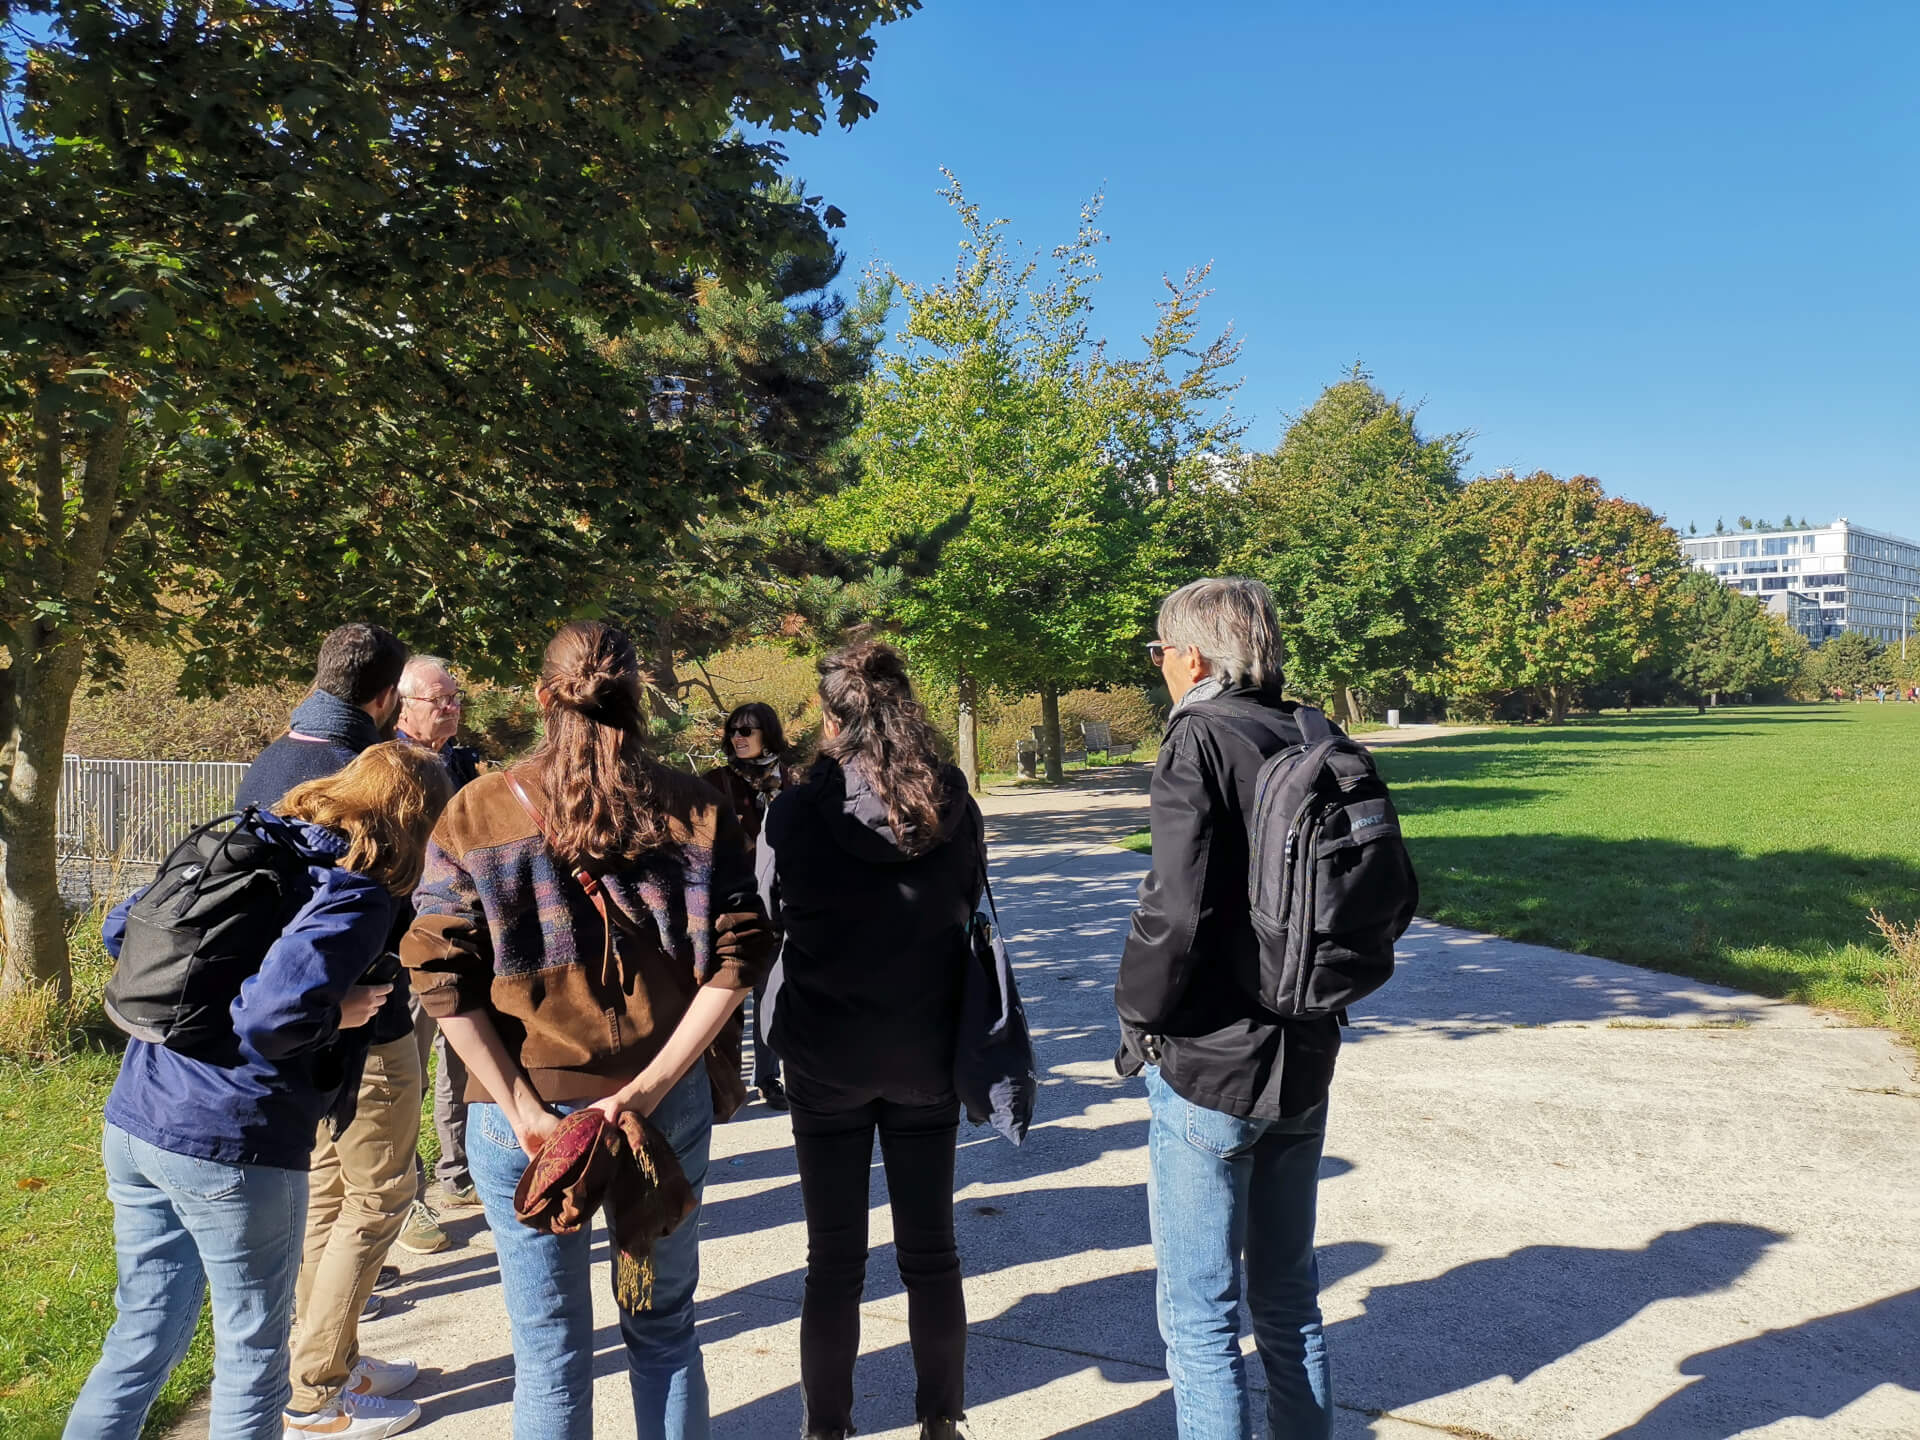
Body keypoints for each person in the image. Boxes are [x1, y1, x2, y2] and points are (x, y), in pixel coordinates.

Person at [402, 620, 773, 1440]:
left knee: (549, 1353)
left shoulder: (478, 810)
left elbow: (435, 975)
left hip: (522, 1118)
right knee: (664, 1329)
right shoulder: (700, 808)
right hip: (661, 1109)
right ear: (637, 699)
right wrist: (647, 1091)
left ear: (542, 699)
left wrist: (522, 1109)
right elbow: (738, 963)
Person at [65, 743, 452, 1440]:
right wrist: (338, 1011)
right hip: (232, 1140)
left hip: (137, 1114)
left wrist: (216, 990)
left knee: (141, 1335)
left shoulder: (250, 839)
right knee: (254, 1357)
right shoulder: (354, 889)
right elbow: (274, 1019)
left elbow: (123, 929)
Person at [1115, 577, 1344, 1440]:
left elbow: (1173, 909)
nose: (1157, 667)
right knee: (1290, 1300)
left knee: (1202, 1321)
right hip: (1306, 1042)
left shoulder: (1198, 739)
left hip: (1212, 1055)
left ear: (1195, 657)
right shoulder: (1312, 729)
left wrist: (1136, 1016)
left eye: (1158, 651)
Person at [757, 641, 984, 1440]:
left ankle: (826, 1427)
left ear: (829, 717)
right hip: (927, 1049)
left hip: (826, 1053)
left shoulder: (793, 811)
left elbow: (767, 914)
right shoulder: (951, 802)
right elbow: (970, 901)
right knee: (932, 1254)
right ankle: (941, 1421)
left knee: (833, 1262)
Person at [235, 628, 440, 1433]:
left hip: (308, 1019)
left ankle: (329, 1354)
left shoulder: (276, 760)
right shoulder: (360, 771)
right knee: (381, 1194)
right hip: (361, 1017)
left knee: (329, 1193)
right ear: (387, 697)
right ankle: (317, 1385)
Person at [395, 656, 482, 1214]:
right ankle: (405, 1193)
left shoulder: (464, 763)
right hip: (408, 938)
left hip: (466, 933)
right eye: (439, 700)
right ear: (403, 704)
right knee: (406, 1070)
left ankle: (458, 1173)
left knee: (463, 1059)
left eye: (455, 699)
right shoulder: (386, 765)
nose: (451, 708)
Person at [700, 702, 802, 1111]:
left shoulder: (794, 782)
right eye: (733, 731)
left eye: (748, 730)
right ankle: (723, 1083)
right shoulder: (714, 783)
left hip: (782, 901)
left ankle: (768, 1077)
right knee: (724, 993)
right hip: (728, 904)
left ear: (768, 734)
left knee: (771, 992)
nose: (738, 737)